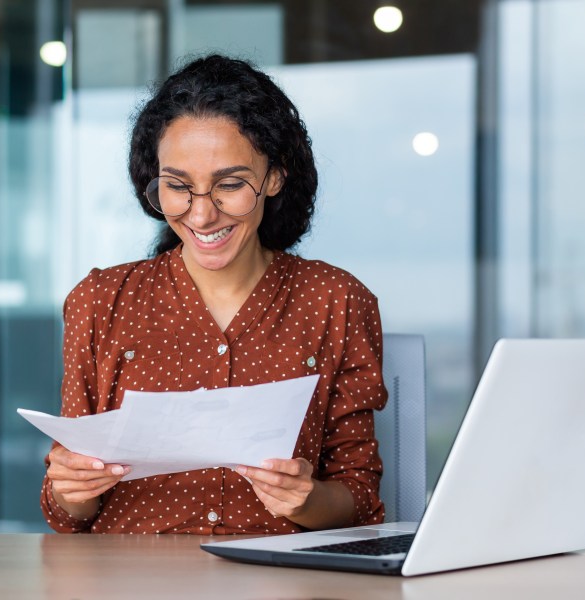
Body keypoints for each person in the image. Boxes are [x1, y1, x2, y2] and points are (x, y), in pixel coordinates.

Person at [41, 54, 388, 535]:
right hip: (123, 580)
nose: (201, 216)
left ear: (274, 176)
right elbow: (66, 513)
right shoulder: (101, 300)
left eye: (229, 184)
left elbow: (360, 499)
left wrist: (305, 501)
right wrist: (71, 486)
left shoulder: (336, 300)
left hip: (277, 581)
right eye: (178, 186)